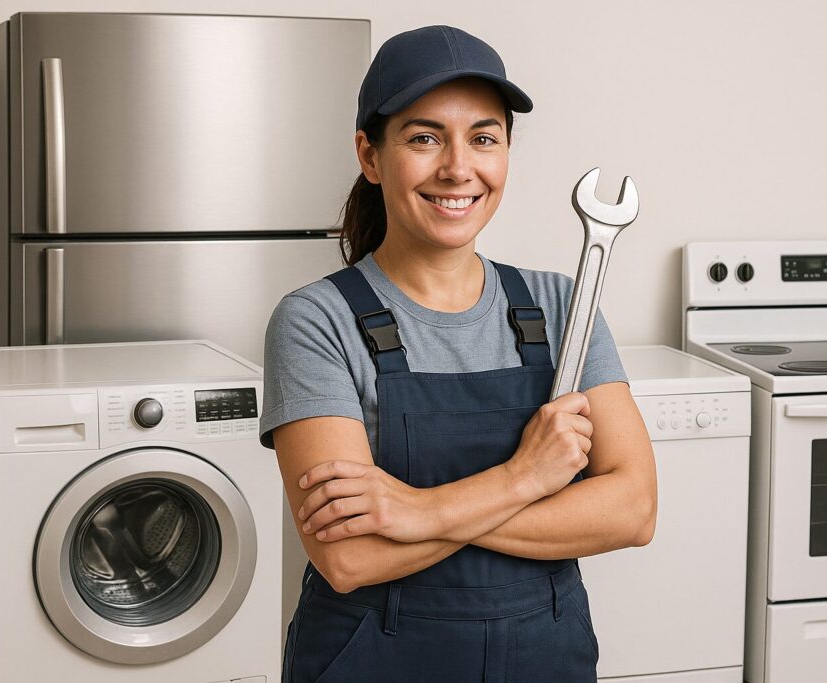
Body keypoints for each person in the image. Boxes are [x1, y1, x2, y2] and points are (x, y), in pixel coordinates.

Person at [261, 24, 657, 683]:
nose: (458, 167)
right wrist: (524, 478)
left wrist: (416, 511)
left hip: (544, 659)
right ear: (370, 154)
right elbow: (351, 554)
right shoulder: (316, 321)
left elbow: (633, 508)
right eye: (424, 137)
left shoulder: (564, 306)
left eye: (483, 137)